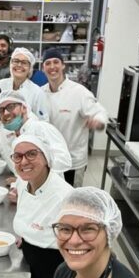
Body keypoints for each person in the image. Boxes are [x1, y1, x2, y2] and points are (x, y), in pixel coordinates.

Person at [10, 135, 74, 278]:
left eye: (31, 154)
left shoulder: (65, 198)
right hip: (30, 264)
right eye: (18, 156)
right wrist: (26, 236)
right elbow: (32, 216)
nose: (24, 162)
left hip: (54, 276)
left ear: (46, 158)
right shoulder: (23, 182)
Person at [0, 91, 71, 176]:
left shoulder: (40, 128)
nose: (6, 113)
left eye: (11, 107)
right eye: (1, 110)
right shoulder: (16, 137)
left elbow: (64, 160)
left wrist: (31, 174)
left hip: (51, 194)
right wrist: (20, 183)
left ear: (24, 107)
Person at [42, 48, 108, 186]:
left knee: (71, 200)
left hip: (73, 161)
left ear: (63, 65)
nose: (52, 67)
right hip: (48, 159)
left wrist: (98, 122)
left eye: (56, 62)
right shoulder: (40, 93)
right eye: (48, 63)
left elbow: (99, 112)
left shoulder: (79, 92)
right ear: (43, 68)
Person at [0, 48, 50, 121]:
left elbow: (44, 121)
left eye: (24, 62)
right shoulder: (1, 85)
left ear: (30, 68)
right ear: (10, 64)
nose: (19, 65)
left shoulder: (37, 92)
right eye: (16, 61)